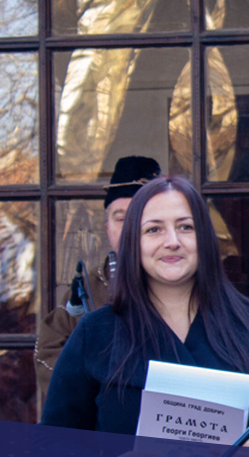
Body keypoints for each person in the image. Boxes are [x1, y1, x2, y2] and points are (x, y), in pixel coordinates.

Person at [42, 176, 249, 457]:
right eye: (154, 230)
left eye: (186, 227)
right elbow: (50, 442)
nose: (172, 241)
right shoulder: (96, 333)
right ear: (133, 242)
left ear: (205, 237)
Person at [35, 156, 161, 411]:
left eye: (140, 217)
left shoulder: (180, 285)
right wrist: (95, 392)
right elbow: (48, 349)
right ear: (107, 228)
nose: (129, 228)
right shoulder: (89, 286)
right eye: (120, 218)